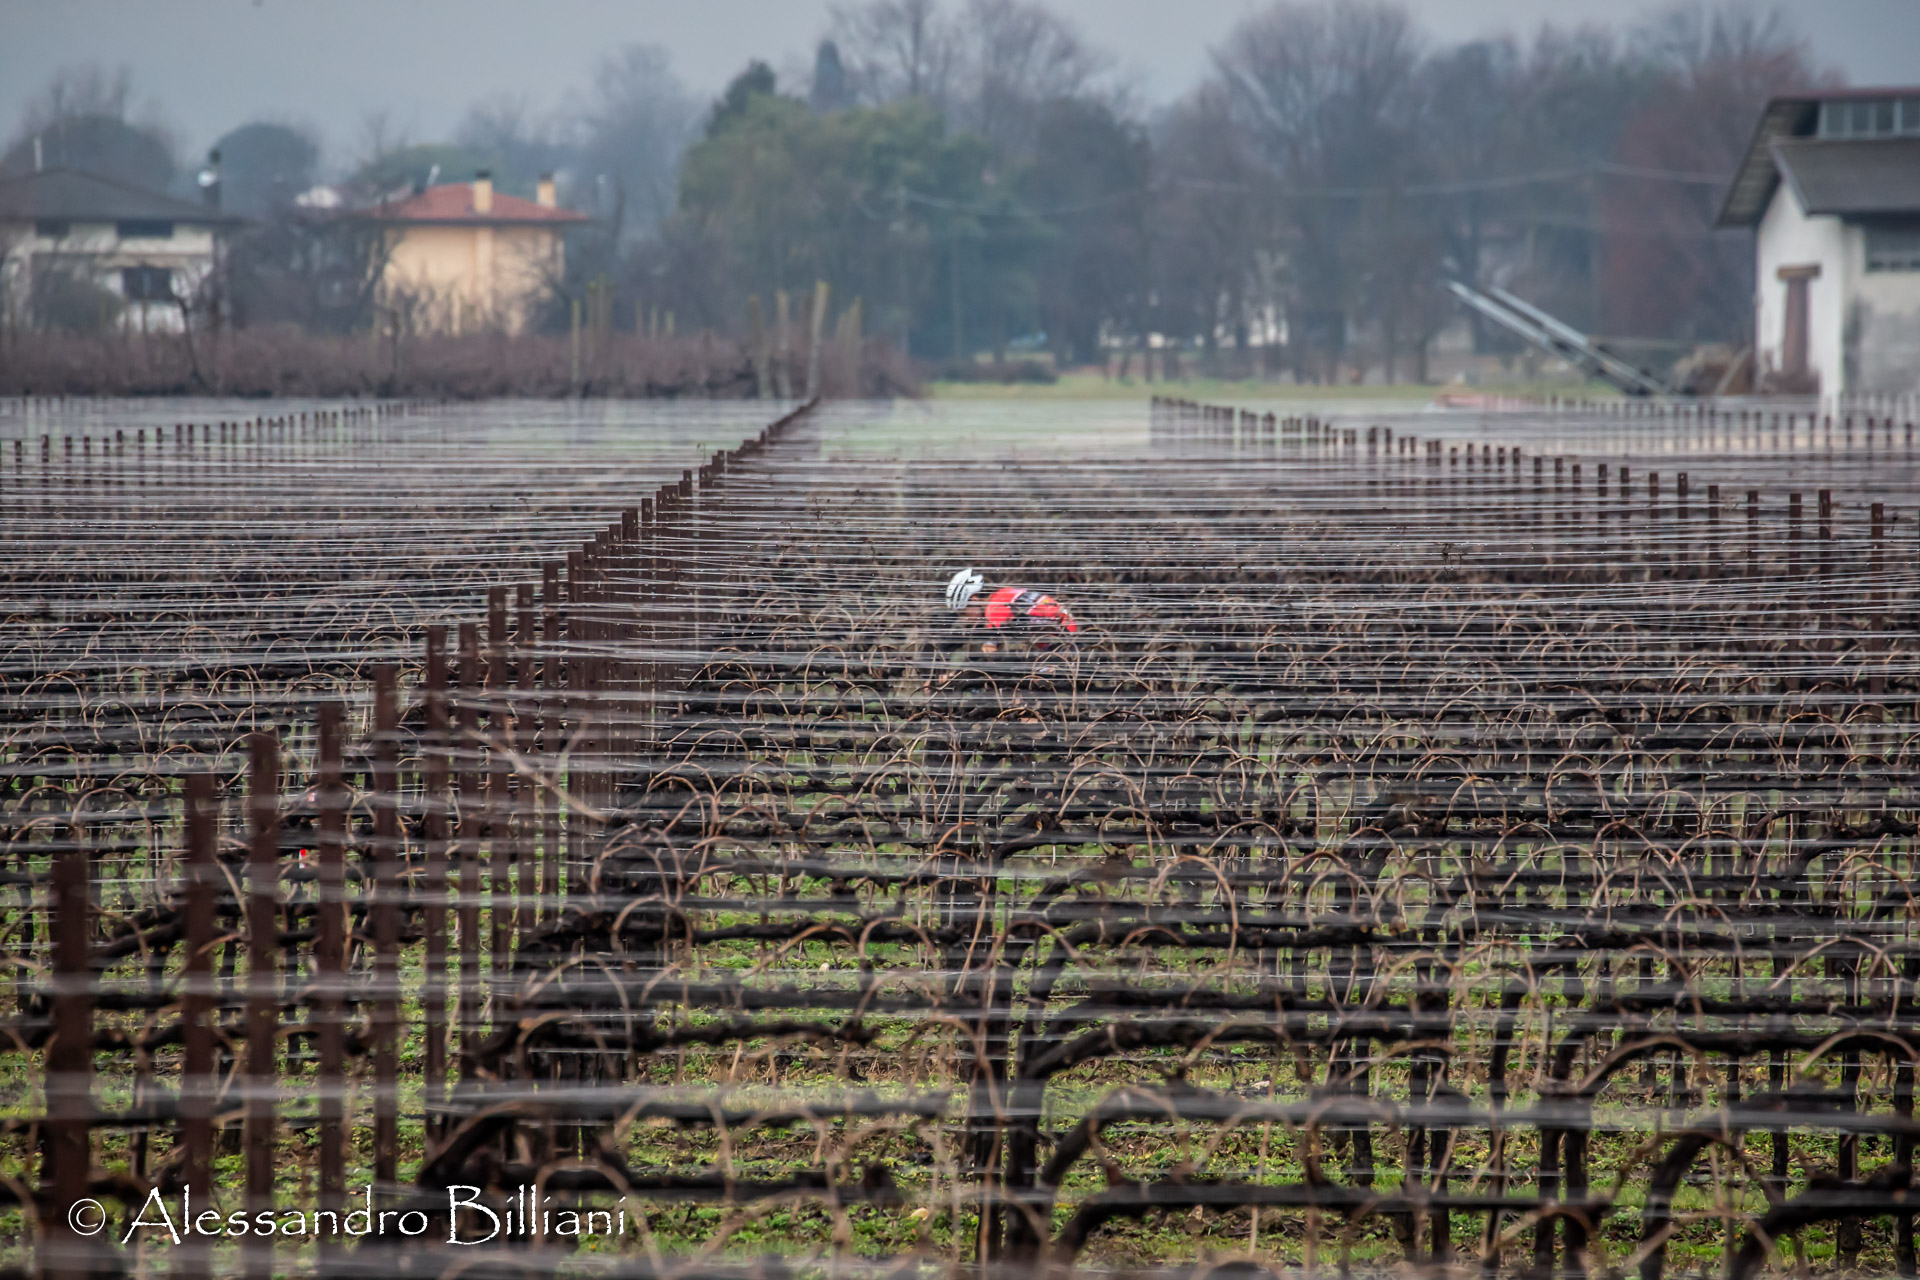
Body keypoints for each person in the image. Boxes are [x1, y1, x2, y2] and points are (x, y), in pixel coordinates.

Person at [944, 567, 1078, 655]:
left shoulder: (994, 608)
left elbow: (990, 648)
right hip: (1063, 636)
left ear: (974, 600)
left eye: (963, 613)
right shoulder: (1002, 594)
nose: (963, 619)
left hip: (1063, 642)